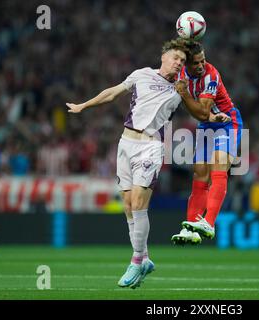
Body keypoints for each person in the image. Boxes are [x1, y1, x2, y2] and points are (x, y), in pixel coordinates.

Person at [66, 39, 223, 289]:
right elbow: (113, 92)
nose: (179, 64)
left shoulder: (180, 88)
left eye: (182, 62)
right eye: (176, 59)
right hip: (126, 142)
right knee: (128, 205)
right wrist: (84, 105)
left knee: (139, 202)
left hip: (151, 146)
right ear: (163, 57)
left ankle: (136, 260)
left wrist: (215, 116)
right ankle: (145, 258)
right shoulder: (141, 75)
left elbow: (200, 111)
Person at [171, 40, 243, 245]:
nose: (202, 65)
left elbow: (202, 112)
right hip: (208, 124)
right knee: (200, 172)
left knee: (218, 166)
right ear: (187, 64)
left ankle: (209, 223)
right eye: (196, 62)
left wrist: (183, 93)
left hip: (228, 122)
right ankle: (190, 227)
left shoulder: (211, 75)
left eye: (203, 60)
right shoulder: (181, 75)